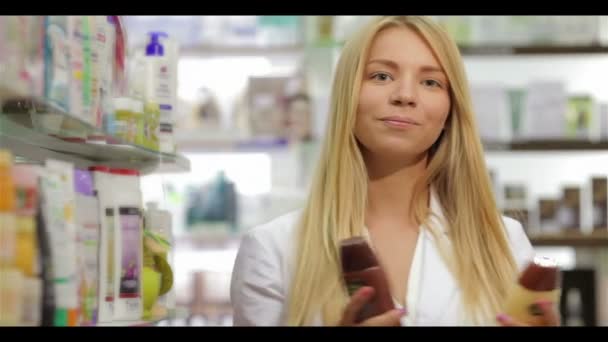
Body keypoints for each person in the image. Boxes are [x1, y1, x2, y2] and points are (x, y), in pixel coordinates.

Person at [230, 15, 560, 327]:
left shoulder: (504, 244)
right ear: (348, 96)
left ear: (450, 109)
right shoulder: (273, 251)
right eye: (381, 76)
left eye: (430, 82)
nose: (405, 95)